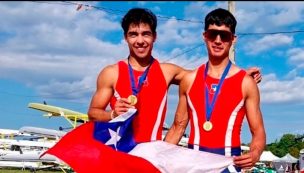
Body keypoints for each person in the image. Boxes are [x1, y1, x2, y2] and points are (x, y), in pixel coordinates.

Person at [88, 7, 263, 145]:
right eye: (133, 34)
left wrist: (241, 77)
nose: (140, 41)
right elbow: (93, 113)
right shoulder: (111, 73)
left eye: (146, 34)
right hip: (118, 149)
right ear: (125, 38)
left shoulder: (167, 71)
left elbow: (208, 78)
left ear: (154, 37)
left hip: (151, 154)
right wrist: (112, 114)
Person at [164, 8, 266, 172]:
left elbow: (258, 131)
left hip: (229, 165)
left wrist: (255, 152)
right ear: (204, 36)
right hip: (193, 165)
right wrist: (159, 160)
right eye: (213, 34)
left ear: (233, 39)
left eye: (224, 36)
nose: (218, 40)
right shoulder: (189, 80)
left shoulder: (246, 83)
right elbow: (177, 128)